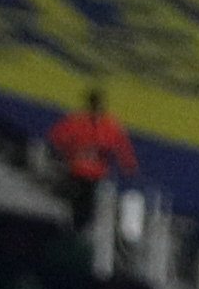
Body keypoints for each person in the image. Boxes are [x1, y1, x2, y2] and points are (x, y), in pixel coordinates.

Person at [45, 87, 134, 225]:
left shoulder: (104, 124)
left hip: (93, 171)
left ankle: (81, 222)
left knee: (86, 200)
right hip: (81, 170)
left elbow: (121, 145)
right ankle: (79, 222)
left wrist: (128, 164)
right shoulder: (81, 122)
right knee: (82, 200)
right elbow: (56, 138)